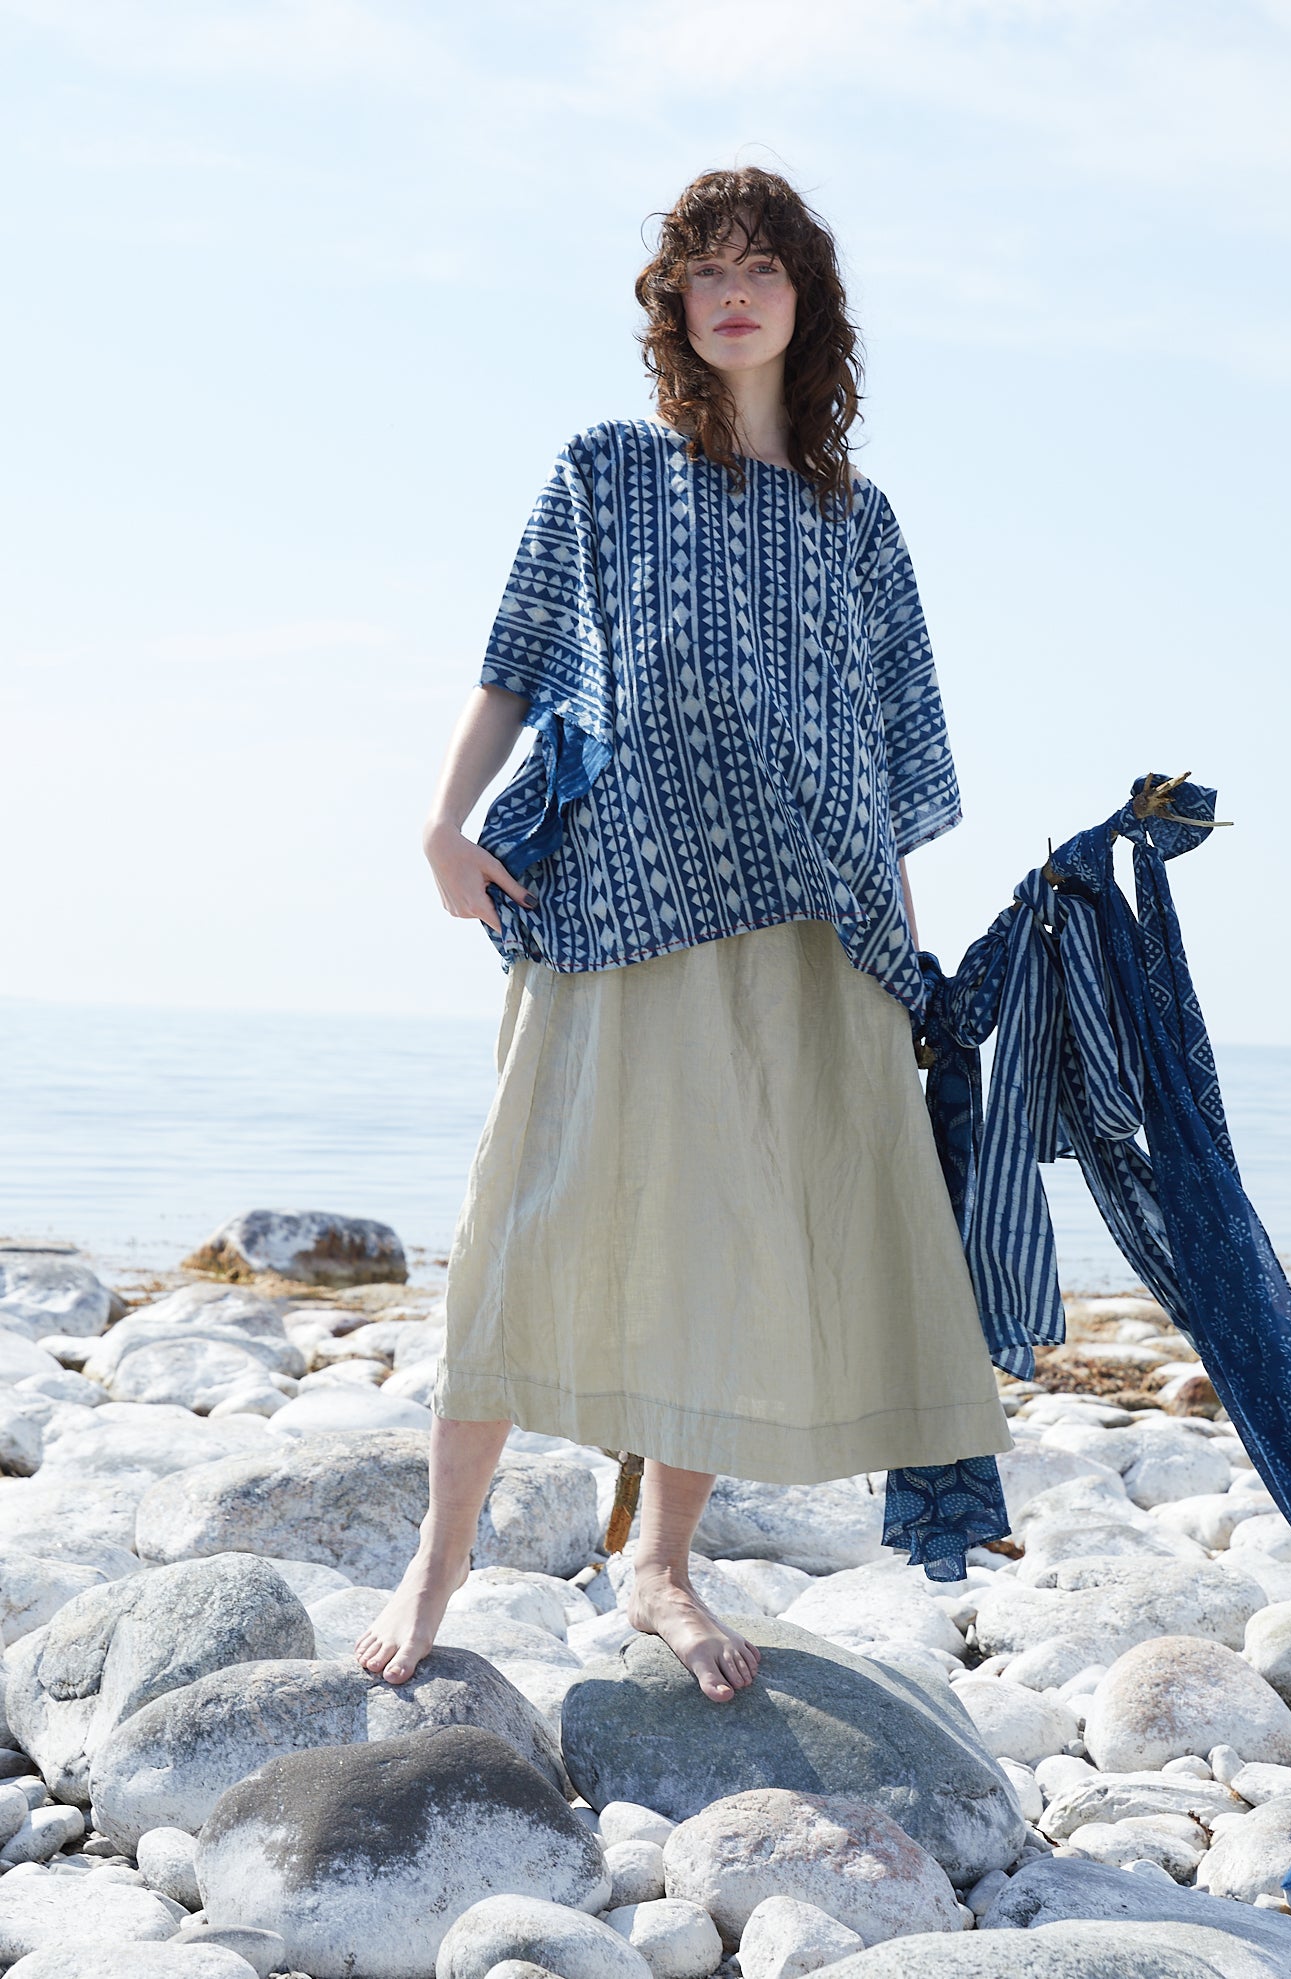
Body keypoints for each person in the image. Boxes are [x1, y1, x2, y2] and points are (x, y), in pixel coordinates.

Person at [355, 165, 1011, 1705]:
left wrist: (905, 965)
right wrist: (443, 822)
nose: (734, 291)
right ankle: (438, 1555)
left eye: (763, 269)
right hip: (616, 904)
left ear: (805, 304)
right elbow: (514, 661)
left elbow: (890, 765)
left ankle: (659, 1564)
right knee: (530, 1215)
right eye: (705, 269)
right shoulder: (605, 472)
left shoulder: (859, 522)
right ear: (672, 306)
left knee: (730, 1240)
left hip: (808, 926)